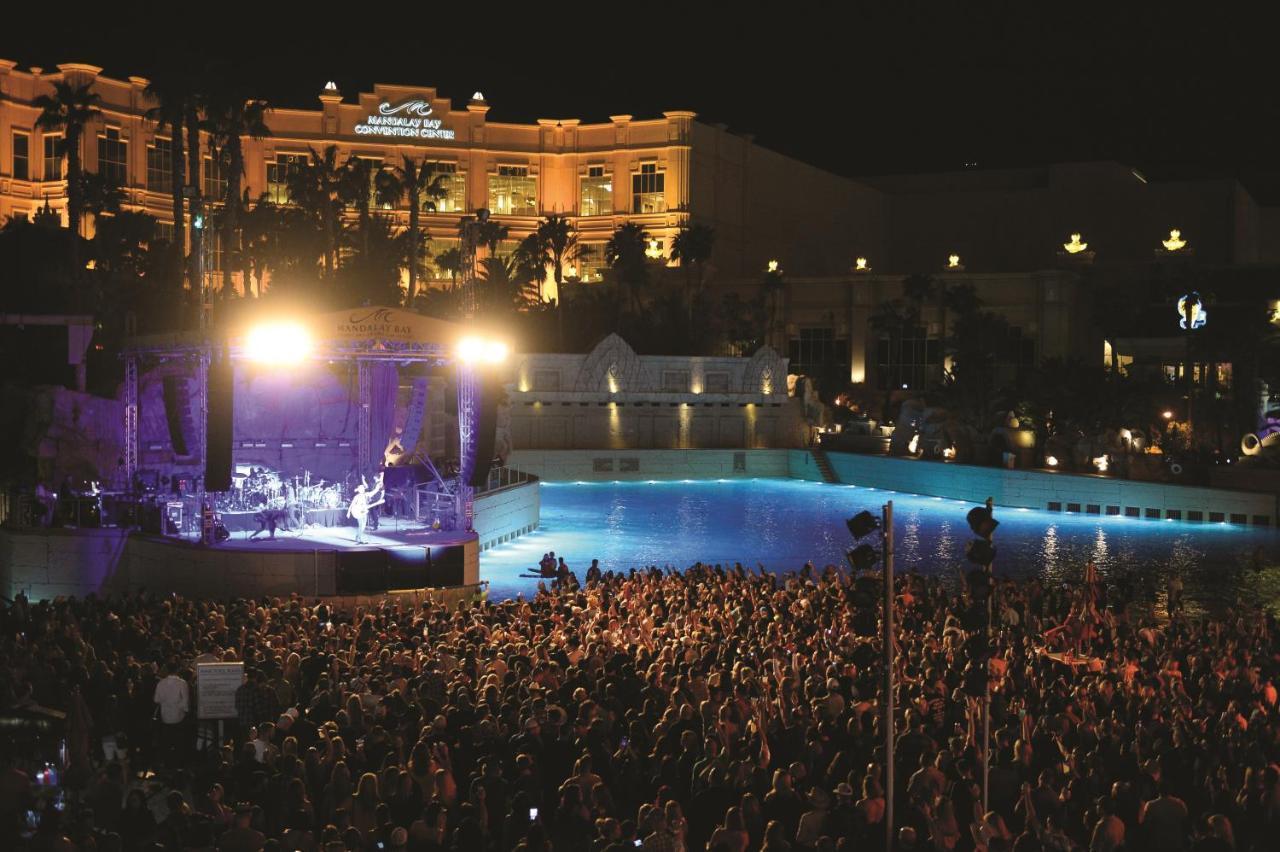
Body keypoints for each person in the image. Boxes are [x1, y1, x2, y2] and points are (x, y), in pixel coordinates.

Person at [153, 658, 190, 766]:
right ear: (177, 670)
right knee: (179, 743)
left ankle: (167, 763)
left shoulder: (161, 683)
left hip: (165, 717)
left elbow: (156, 699)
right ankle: (178, 764)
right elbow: (185, 701)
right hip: (179, 717)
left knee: (167, 743)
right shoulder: (182, 683)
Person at [347, 474, 384, 544]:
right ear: (359, 490)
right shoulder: (357, 497)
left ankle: (358, 536)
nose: (363, 489)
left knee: (363, 526)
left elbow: (374, 492)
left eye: (363, 488)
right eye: (361, 489)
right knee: (361, 525)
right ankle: (358, 538)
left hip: (364, 511)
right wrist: (348, 512)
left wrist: (378, 486)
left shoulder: (366, 494)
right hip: (358, 511)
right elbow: (352, 504)